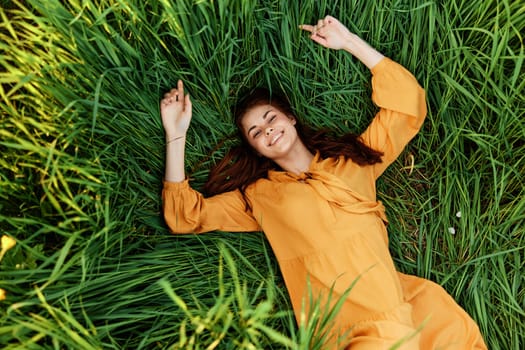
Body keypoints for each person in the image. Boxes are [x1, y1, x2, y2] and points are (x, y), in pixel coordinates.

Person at [160, 15, 487, 350]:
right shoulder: (260, 197)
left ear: (291, 118)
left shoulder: (355, 160)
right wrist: (176, 133)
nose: (267, 130)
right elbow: (184, 216)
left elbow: (408, 106)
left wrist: (349, 42)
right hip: (342, 328)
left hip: (397, 304)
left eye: (270, 118)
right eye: (255, 132)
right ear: (254, 148)